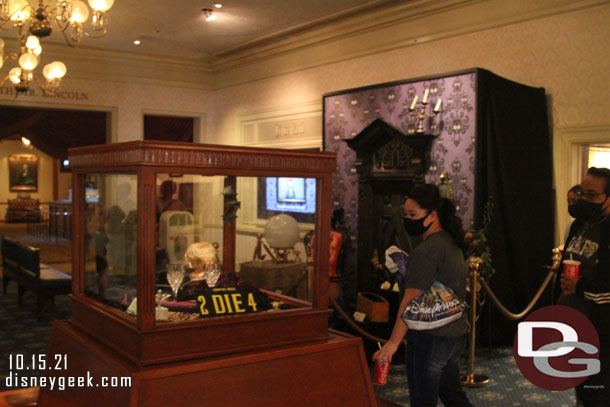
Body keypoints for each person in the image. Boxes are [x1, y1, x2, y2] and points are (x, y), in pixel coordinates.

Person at [373, 184, 473, 407]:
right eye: (406, 214)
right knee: (453, 396)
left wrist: (392, 343)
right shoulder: (450, 243)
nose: (407, 220)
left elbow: (411, 302)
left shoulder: (427, 251)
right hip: (453, 334)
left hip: (430, 337)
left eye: (412, 215)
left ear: (432, 215)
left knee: (422, 400)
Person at [560, 166, 610, 407]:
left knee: (597, 390)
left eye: (592, 195)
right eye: (582, 193)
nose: (583, 199)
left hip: (602, 329)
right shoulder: (581, 224)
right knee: (581, 385)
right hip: (575, 323)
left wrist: (580, 286)